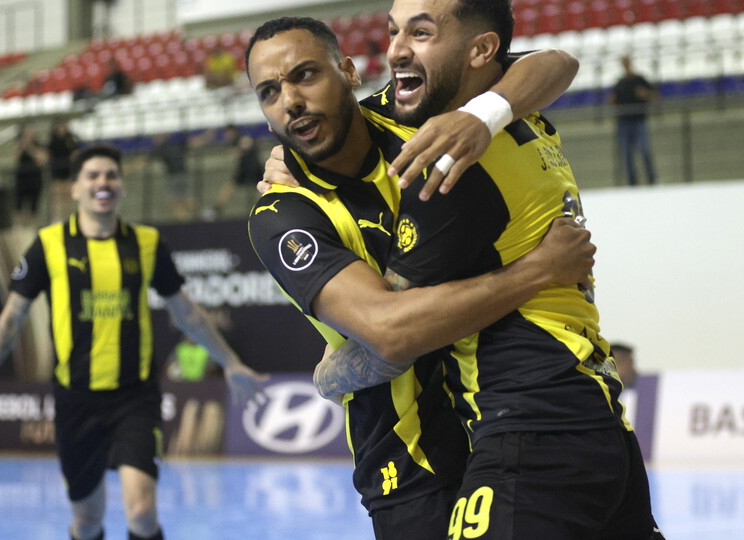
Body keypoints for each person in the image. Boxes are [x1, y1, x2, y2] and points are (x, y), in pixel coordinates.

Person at [276, 2, 662, 538]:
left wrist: (326, 375)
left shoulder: (446, 166)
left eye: (421, 32)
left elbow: (393, 334)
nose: (395, 49)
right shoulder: (510, 110)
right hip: (590, 414)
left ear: (481, 51)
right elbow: (555, 61)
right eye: (392, 32)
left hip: (528, 424)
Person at [0, 144, 266, 540]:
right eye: (93, 176)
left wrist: (231, 362)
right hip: (75, 400)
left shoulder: (147, 243)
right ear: (75, 189)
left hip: (134, 398)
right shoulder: (49, 245)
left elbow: (187, 314)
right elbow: (11, 321)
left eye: (111, 175)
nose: (103, 182)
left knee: (142, 511)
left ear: (122, 187)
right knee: (87, 519)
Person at [610, 56, 659, 186]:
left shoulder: (639, 79)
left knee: (644, 150)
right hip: (624, 122)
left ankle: (652, 180)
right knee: (626, 155)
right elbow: (614, 100)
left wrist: (645, 95)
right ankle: (632, 183)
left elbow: (654, 96)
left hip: (639, 120)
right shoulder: (620, 83)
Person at [214, 125, 263, 217]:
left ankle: (263, 206)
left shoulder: (242, 137)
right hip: (243, 169)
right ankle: (218, 208)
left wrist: (239, 149)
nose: (227, 135)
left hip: (254, 168)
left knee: (260, 189)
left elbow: (247, 144)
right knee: (228, 187)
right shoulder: (231, 142)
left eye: (228, 133)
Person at [49, 120, 80, 221]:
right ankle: (57, 220)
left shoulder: (70, 139)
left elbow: (75, 152)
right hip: (57, 173)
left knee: (68, 199)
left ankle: (69, 219)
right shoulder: (53, 141)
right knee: (57, 199)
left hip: (68, 173)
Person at [14, 125, 47, 218]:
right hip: (22, 177)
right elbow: (15, 158)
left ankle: (32, 223)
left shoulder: (38, 145)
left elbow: (42, 159)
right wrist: (22, 146)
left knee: (34, 204)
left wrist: (30, 148)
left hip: (34, 177)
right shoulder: (19, 145)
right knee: (19, 204)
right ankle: (21, 225)